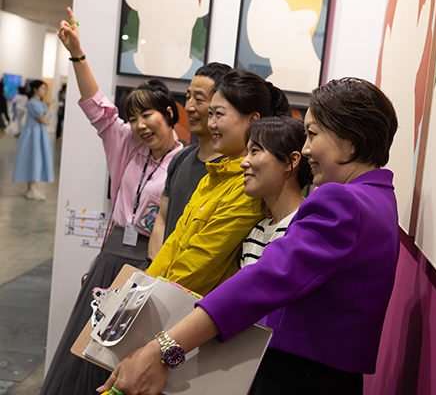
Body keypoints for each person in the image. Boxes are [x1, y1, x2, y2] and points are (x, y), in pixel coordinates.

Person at [99, 77, 401, 395]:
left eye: (312, 134)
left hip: (302, 377)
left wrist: (164, 347)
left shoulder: (344, 201)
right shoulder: (379, 199)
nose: (306, 149)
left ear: (351, 140)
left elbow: (265, 279)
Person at [40, 8, 184, 394]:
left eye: (148, 115)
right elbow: (98, 108)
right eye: (133, 118)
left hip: (150, 265)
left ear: (169, 113)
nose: (140, 125)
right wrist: (77, 53)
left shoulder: (185, 162)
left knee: (126, 361)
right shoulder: (126, 145)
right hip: (111, 261)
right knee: (86, 354)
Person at [146, 69, 292, 295]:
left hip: (192, 304)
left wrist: (153, 294)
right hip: (167, 295)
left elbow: (201, 260)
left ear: (252, 120)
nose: (211, 124)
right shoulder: (211, 177)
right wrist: (143, 287)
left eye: (219, 115)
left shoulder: (250, 186)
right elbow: (174, 242)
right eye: (210, 114)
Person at [147, 62, 232, 260]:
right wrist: (153, 268)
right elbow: (162, 219)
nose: (188, 107)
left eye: (199, 99)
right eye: (187, 97)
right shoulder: (180, 158)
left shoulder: (232, 167)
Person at [239, 115, 312, 269]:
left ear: (291, 161)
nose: (243, 162)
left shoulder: (307, 226)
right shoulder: (255, 232)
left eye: (254, 151)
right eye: (246, 153)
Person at [12, 80, 55, 200]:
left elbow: (46, 120)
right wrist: (50, 108)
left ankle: (31, 189)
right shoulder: (32, 102)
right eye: (42, 88)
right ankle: (31, 190)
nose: (45, 91)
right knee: (34, 160)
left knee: (37, 160)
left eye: (45, 88)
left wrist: (46, 118)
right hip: (33, 136)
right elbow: (42, 119)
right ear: (35, 89)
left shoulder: (40, 103)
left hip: (39, 135)